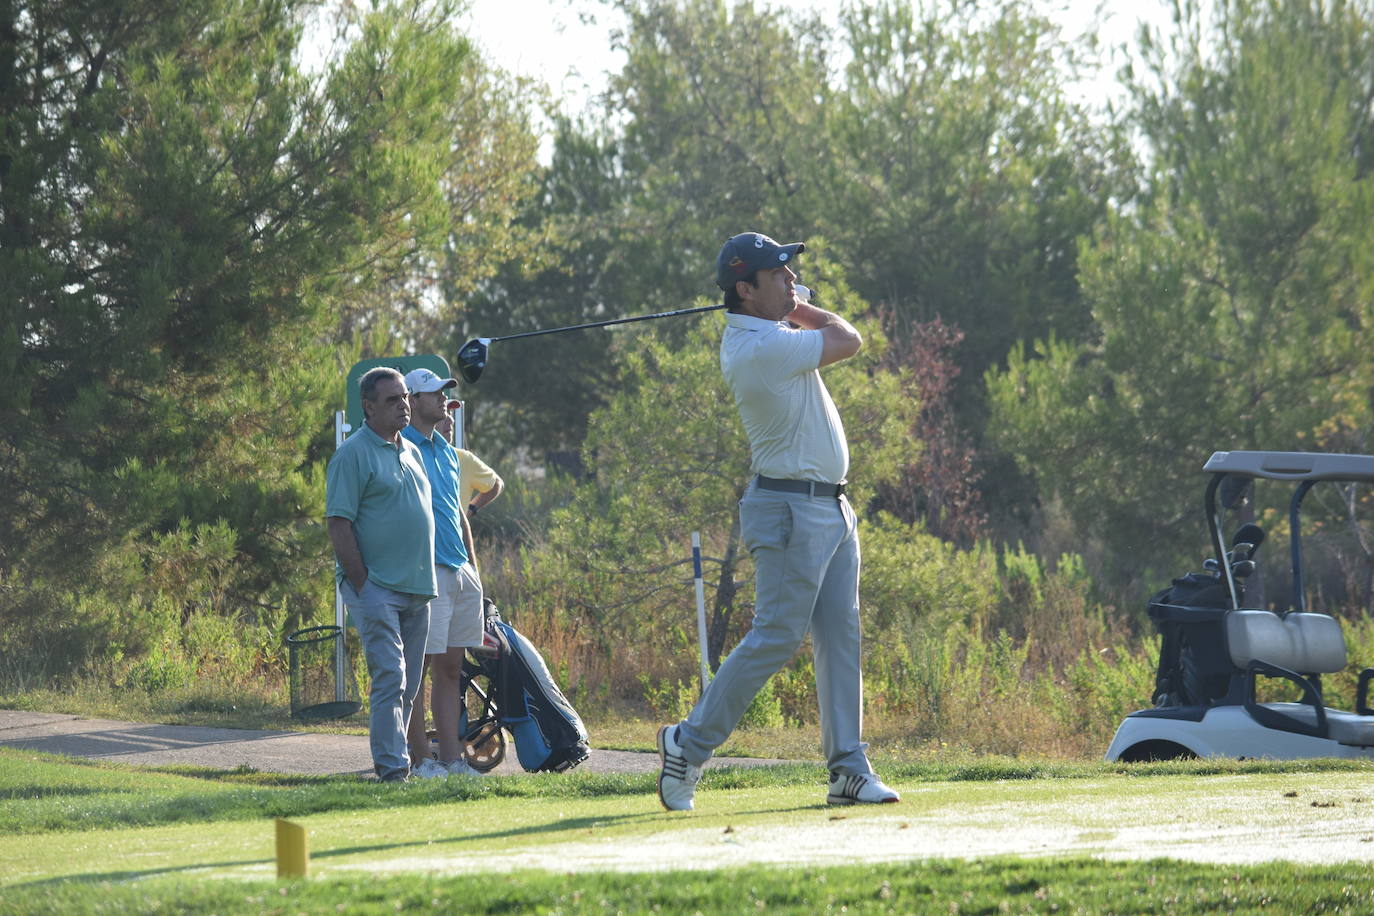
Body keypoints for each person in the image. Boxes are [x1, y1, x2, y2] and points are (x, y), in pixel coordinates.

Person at [657, 232, 900, 810]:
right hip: (790, 510)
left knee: (840, 636)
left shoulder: (768, 333)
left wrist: (787, 304)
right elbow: (848, 337)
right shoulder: (760, 346)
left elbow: (819, 330)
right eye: (779, 274)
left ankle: (848, 768)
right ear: (745, 289)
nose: (792, 281)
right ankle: (687, 746)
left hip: (832, 507)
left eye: (791, 273)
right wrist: (799, 308)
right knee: (777, 637)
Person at [326, 367, 435, 782]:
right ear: (368, 407)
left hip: (417, 588)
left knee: (408, 687)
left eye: (405, 397)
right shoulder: (352, 453)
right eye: (392, 400)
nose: (403, 405)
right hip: (377, 588)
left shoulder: (413, 450)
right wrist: (363, 584)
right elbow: (339, 523)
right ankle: (393, 771)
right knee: (391, 676)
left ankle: (397, 762)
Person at [400, 368, 487, 778]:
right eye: (433, 394)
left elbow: (458, 515)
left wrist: (474, 569)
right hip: (425, 572)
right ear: (412, 401)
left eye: (444, 393)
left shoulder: (448, 453)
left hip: (458, 569)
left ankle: (453, 759)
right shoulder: (401, 448)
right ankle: (420, 761)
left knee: (451, 670)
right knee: (415, 672)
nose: (442, 400)